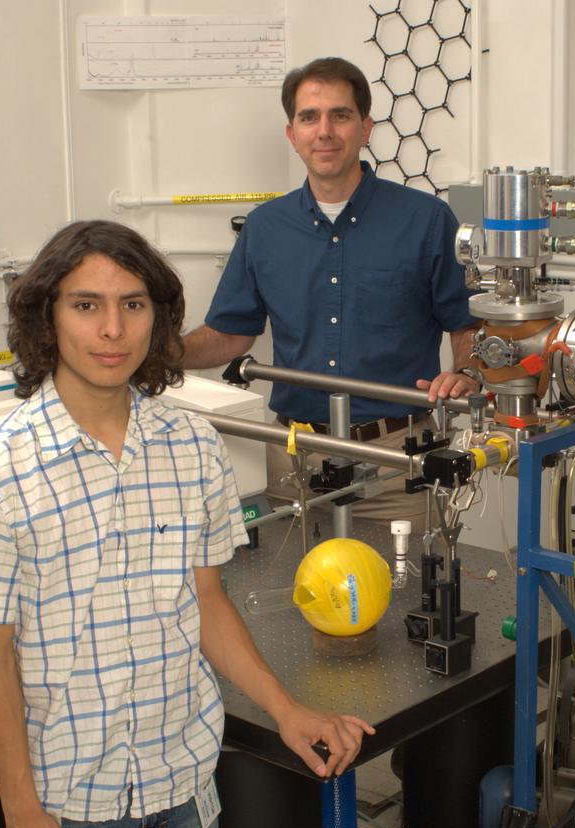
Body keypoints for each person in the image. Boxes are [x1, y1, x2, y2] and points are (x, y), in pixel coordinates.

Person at [0, 220, 374, 828]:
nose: (112, 330)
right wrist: (20, 812)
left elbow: (206, 602)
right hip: (72, 808)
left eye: (133, 305)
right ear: (47, 319)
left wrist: (287, 711)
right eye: (86, 306)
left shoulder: (193, 446)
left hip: (187, 790)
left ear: (157, 319)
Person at [181, 57, 481, 528]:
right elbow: (230, 334)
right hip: (293, 461)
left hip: (398, 465)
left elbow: (466, 323)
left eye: (340, 115)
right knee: (287, 576)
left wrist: (466, 374)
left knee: (409, 577)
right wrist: (159, 355)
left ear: (365, 128)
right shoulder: (264, 228)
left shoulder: (425, 220)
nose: (324, 131)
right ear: (292, 134)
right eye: (309, 117)